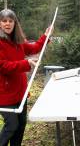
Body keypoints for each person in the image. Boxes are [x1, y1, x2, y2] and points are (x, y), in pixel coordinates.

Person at [0, 9, 52, 146]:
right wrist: (26, 63)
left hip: (20, 93)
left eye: (10, 21)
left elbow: (33, 48)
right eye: (4, 21)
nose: (7, 24)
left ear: (15, 23)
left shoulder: (18, 41)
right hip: (4, 94)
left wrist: (45, 37)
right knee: (11, 126)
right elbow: (3, 66)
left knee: (21, 125)